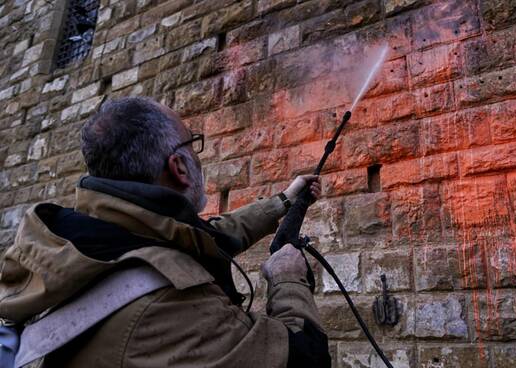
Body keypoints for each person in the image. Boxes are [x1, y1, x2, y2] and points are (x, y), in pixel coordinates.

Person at [0, 97, 330, 367]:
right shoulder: (175, 304)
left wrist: (283, 201)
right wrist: (288, 279)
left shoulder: (91, 236)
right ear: (179, 167)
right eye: (193, 144)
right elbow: (304, 360)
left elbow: (204, 235)